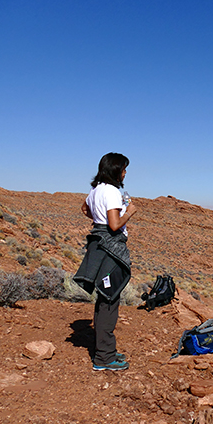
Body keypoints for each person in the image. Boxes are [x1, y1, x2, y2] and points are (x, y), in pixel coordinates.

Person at [73, 153, 137, 371]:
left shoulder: (95, 190)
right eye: (124, 169)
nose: (125, 173)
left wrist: (97, 219)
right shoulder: (110, 191)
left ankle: (106, 350)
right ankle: (104, 357)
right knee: (109, 300)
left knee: (105, 298)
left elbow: (85, 209)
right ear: (115, 170)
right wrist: (129, 213)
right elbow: (114, 224)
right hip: (111, 247)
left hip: (99, 243)